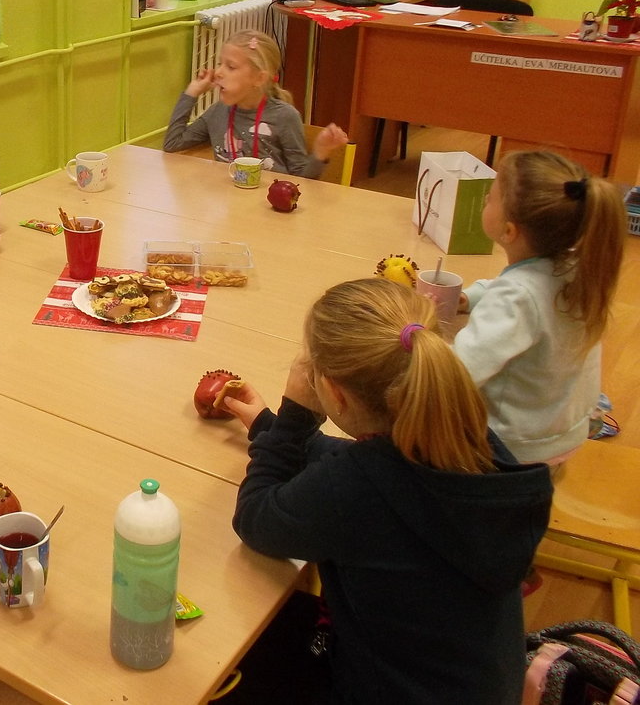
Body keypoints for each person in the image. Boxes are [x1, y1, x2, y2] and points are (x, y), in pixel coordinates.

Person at [225, 278, 552, 705]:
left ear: (334, 395)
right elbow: (365, 466)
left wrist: (295, 415)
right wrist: (269, 427)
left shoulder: (352, 489)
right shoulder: (469, 439)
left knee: (230, 657)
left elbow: (255, 518)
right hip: (477, 688)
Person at [453, 149, 626, 464]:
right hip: (565, 435)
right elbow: (527, 291)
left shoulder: (516, 297)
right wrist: (472, 297)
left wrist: (418, 338)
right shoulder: (578, 267)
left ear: (509, 231)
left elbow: (457, 373)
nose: (485, 200)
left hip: (512, 450)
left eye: (491, 198)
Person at [162, 29, 347, 176]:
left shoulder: (284, 117)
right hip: (231, 204)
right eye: (220, 64)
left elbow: (301, 178)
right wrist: (192, 92)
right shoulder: (218, 111)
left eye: (231, 66)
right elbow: (172, 144)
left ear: (259, 78)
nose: (218, 72)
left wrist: (320, 152)